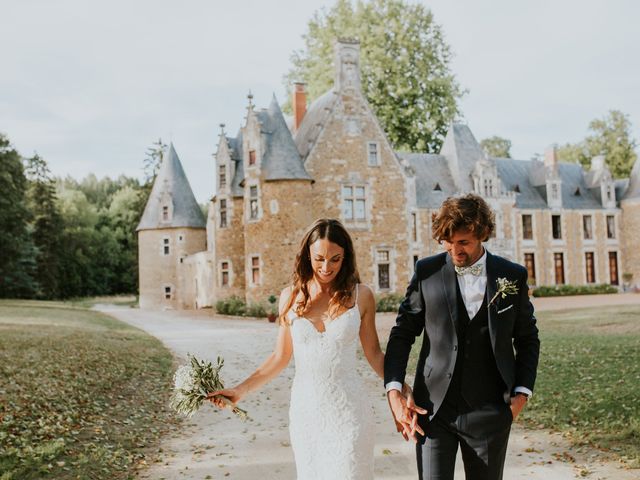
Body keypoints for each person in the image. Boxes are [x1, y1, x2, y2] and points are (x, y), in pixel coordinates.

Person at [209, 218, 407, 480]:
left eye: (335, 259)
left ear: (345, 257)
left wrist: (400, 388)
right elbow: (279, 357)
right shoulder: (289, 297)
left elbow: (374, 355)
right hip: (307, 414)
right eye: (319, 258)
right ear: (307, 255)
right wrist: (239, 390)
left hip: (349, 412)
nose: (327, 267)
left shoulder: (362, 295)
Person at [384, 193, 540, 480]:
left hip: (490, 411)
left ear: (482, 235)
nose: (455, 250)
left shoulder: (511, 275)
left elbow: (528, 339)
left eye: (463, 242)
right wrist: (394, 389)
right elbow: (403, 332)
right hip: (432, 410)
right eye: (448, 242)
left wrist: (521, 396)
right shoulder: (426, 271)